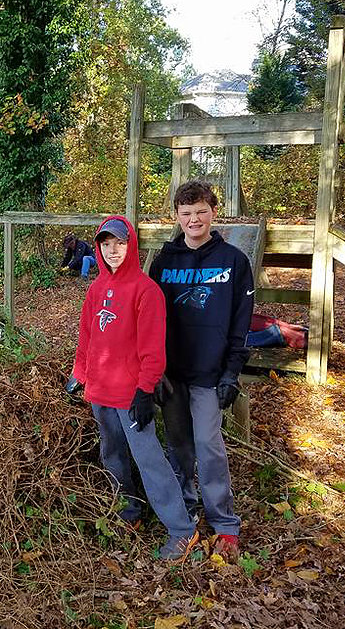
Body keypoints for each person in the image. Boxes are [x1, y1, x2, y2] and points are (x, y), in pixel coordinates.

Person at [65, 216, 198, 561]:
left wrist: (144, 390)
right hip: (100, 390)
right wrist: (80, 373)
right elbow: (87, 336)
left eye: (120, 243)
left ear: (131, 245)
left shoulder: (145, 290)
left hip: (130, 394)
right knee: (112, 454)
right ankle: (129, 511)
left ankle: (182, 529)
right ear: (98, 248)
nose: (113, 250)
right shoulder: (96, 289)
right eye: (106, 244)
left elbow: (153, 349)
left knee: (148, 459)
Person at [148, 180, 254, 559]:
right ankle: (186, 508)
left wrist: (231, 372)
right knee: (179, 446)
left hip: (210, 373)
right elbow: (149, 320)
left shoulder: (234, 261)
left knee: (209, 445)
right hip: (172, 372)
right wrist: (153, 370)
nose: (194, 219)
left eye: (201, 212)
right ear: (177, 216)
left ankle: (224, 522)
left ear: (213, 212)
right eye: (186, 213)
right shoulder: (163, 263)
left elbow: (241, 323)